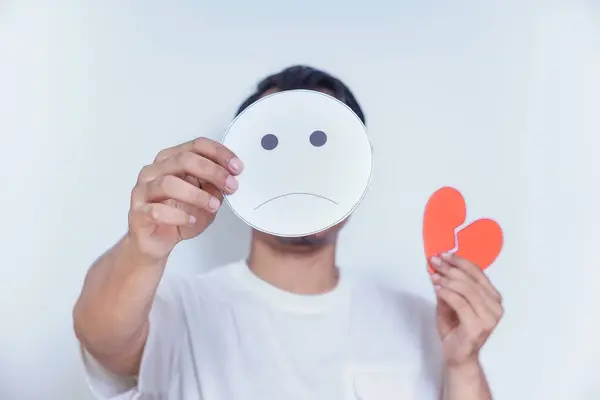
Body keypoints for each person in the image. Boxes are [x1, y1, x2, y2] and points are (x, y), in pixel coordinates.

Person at [73, 66, 503, 400]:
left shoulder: (424, 322)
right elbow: (101, 334)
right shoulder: (179, 310)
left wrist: (464, 364)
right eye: (274, 145)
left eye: (323, 145)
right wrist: (144, 246)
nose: (301, 172)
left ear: (361, 170)